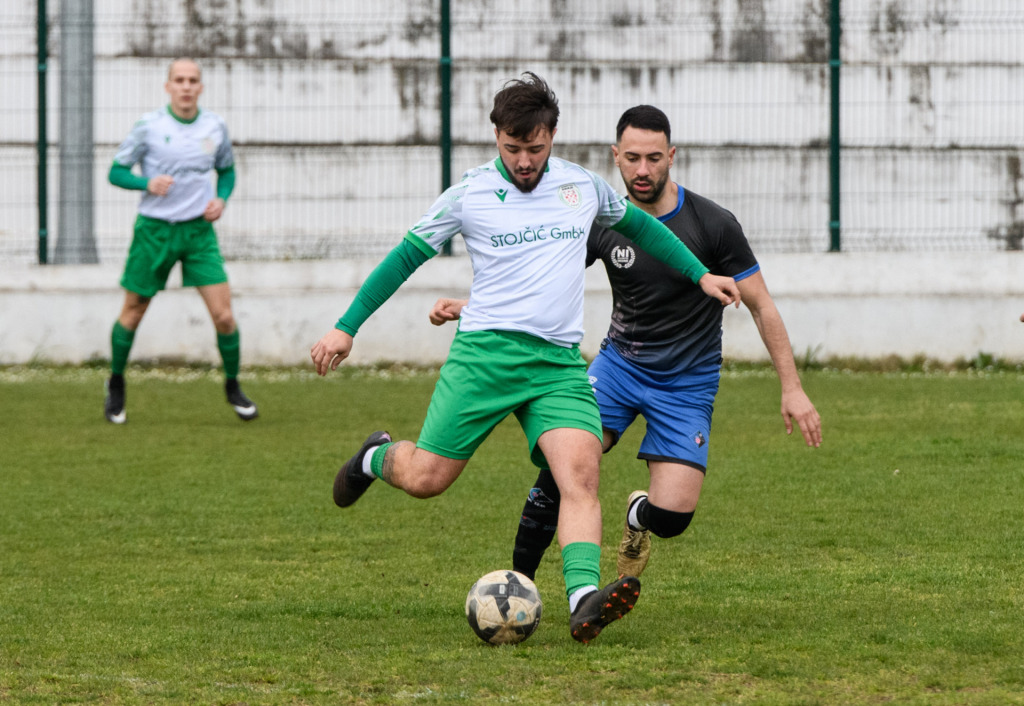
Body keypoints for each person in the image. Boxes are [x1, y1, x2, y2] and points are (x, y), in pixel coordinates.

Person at [311, 75, 741, 643]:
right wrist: (346, 328)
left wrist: (700, 274)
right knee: (426, 479)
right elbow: (403, 259)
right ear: (496, 136)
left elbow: (642, 229)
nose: (523, 161)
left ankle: (584, 600)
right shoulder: (469, 193)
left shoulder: (581, 186)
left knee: (580, 475)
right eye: (512, 148)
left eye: (534, 148)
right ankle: (375, 458)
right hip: (484, 359)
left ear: (552, 137)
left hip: (556, 367)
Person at [430, 104, 822, 583]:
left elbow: (762, 305)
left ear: (671, 156)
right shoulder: (601, 218)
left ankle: (638, 516)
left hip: (687, 384)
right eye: (632, 158)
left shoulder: (713, 224)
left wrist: (792, 388)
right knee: (563, 466)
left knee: (672, 517)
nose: (642, 169)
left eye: (654, 158)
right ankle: (518, 585)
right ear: (615, 156)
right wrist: (472, 306)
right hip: (618, 369)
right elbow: (539, 280)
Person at [104, 58, 257, 424]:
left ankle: (233, 385)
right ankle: (116, 382)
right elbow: (116, 172)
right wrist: (146, 183)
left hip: (198, 234)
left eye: (192, 80)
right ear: (168, 86)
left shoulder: (214, 126)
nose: (186, 86)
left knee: (224, 316)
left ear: (200, 87)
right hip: (154, 232)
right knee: (134, 311)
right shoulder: (149, 126)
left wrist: (221, 199)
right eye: (179, 80)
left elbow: (227, 171)